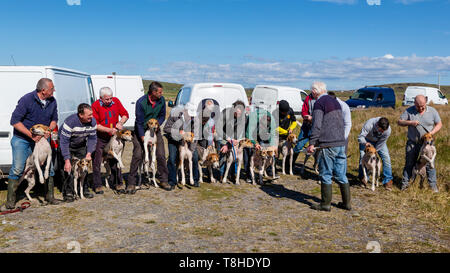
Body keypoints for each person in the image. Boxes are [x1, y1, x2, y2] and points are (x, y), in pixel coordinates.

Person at [5, 78, 59, 209]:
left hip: (41, 139)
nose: (54, 90)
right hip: (22, 139)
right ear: (43, 90)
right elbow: (15, 121)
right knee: (18, 168)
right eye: (52, 89)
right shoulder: (26, 100)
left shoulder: (52, 101)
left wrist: (48, 130)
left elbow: (54, 119)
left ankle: (50, 196)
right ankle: (10, 201)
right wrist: (31, 135)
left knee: (49, 167)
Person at [306, 81, 350, 211]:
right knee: (341, 174)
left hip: (328, 143)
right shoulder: (335, 101)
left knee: (325, 173)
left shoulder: (319, 103)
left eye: (311, 92)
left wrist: (312, 143)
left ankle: (325, 204)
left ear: (314, 91)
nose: (311, 94)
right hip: (341, 142)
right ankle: (346, 203)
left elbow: (317, 124)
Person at [127, 81, 171, 193]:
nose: (162, 93)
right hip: (141, 130)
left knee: (161, 154)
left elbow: (162, 116)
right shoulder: (141, 102)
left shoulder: (161, 100)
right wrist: (142, 137)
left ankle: (164, 180)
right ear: (153, 92)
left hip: (155, 130)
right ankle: (131, 182)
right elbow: (139, 121)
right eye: (160, 92)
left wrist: (156, 125)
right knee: (137, 155)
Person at [398, 95, 442, 192]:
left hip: (428, 144)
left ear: (426, 102)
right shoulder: (409, 110)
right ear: (414, 103)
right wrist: (410, 123)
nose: (421, 108)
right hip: (413, 142)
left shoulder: (432, 111)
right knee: (409, 163)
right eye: (418, 106)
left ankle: (433, 187)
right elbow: (399, 122)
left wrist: (431, 133)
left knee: (430, 164)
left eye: (423, 106)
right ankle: (405, 185)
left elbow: (439, 124)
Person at [91, 87, 129, 194]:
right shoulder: (95, 105)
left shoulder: (115, 101)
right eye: (107, 99)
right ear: (101, 98)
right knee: (97, 161)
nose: (109, 101)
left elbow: (125, 114)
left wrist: (120, 122)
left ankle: (118, 183)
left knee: (115, 160)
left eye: (110, 98)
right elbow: (96, 125)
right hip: (100, 137)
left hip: (113, 137)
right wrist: (108, 129)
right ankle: (97, 185)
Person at [59, 103, 97, 202]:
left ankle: (84, 189)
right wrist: (67, 160)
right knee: (67, 169)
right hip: (67, 144)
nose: (92, 117)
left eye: (92, 114)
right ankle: (69, 192)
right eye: (89, 115)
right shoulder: (70, 122)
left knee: (84, 167)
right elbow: (64, 142)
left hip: (80, 144)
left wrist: (89, 153)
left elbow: (93, 139)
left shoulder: (92, 122)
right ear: (81, 115)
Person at [164, 102, 200, 187]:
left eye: (192, 116)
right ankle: (172, 180)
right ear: (185, 111)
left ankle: (194, 179)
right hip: (173, 140)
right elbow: (166, 128)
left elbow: (196, 135)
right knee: (172, 158)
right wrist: (178, 132)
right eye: (189, 115)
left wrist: (191, 149)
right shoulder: (174, 114)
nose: (191, 117)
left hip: (188, 142)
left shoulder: (195, 119)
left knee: (194, 157)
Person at [358, 117, 393, 190]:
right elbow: (360, 137)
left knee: (386, 158)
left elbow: (381, 143)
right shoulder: (369, 124)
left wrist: (374, 151)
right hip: (366, 140)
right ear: (377, 125)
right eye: (381, 130)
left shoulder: (388, 130)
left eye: (384, 131)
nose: (383, 132)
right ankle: (364, 178)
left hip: (379, 142)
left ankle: (387, 180)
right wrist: (365, 143)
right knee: (362, 157)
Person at [217, 100, 248, 181]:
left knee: (234, 153)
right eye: (236, 113)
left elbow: (237, 133)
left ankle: (232, 173)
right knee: (223, 152)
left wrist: (230, 143)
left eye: (240, 113)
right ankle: (221, 173)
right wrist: (226, 141)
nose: (238, 115)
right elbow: (218, 128)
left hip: (233, 137)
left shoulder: (243, 117)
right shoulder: (225, 113)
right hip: (222, 134)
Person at [292, 91, 317, 166]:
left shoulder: (322, 99)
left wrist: (314, 118)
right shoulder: (308, 98)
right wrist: (306, 116)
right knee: (299, 146)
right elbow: (304, 111)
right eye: (312, 91)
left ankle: (318, 166)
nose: (313, 93)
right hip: (306, 126)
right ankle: (289, 164)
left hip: (317, 127)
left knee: (317, 149)